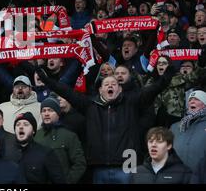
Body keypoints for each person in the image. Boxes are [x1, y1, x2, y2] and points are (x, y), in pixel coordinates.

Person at [36, 64, 174, 184]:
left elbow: (153, 89)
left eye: (114, 84)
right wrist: (48, 80)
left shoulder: (132, 103)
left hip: (127, 166)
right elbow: (66, 92)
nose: (110, 86)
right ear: (100, 90)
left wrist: (167, 76)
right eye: (106, 84)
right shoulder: (89, 105)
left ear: (120, 89)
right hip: (99, 167)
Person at [34, 98, 86, 184]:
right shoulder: (36, 136)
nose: (46, 114)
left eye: (50, 110)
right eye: (44, 111)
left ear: (58, 114)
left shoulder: (69, 135)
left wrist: (68, 181)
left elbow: (79, 163)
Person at [11, 112, 66, 183]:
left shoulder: (46, 153)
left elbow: (59, 180)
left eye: (26, 124)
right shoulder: (8, 152)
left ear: (33, 130)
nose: (21, 127)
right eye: (18, 125)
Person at [170, 90, 206, 172]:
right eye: (190, 100)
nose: (192, 101)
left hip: (201, 176)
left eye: (197, 99)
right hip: (178, 175)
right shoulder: (175, 127)